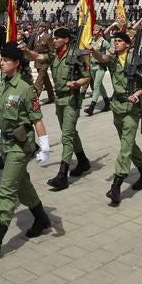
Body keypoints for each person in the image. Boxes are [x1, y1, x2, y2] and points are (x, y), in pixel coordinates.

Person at [0, 41, 50, 262]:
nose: (2, 64)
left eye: (6, 61)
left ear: (17, 63)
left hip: (20, 147)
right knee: (22, 185)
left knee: (6, 190)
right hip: (6, 146)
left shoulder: (25, 89)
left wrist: (44, 146)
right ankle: (41, 218)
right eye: (2, 60)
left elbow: (37, 119)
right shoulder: (4, 86)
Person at [89, 30, 142, 207]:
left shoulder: (136, 60)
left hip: (132, 107)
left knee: (125, 146)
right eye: (114, 41)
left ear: (127, 43)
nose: (115, 43)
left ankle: (116, 186)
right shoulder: (113, 58)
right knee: (128, 143)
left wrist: (138, 93)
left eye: (119, 41)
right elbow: (102, 59)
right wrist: (93, 52)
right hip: (117, 105)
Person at [24, 26, 91, 191]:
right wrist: (26, 50)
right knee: (70, 132)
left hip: (71, 99)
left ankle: (62, 175)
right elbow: (38, 56)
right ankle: (82, 161)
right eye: (54, 38)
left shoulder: (76, 56)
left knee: (66, 136)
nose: (54, 40)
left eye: (56, 38)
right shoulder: (54, 56)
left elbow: (87, 77)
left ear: (66, 40)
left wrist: (77, 83)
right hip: (59, 100)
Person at [84, 24, 112, 116]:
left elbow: (111, 51)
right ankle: (107, 103)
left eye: (96, 30)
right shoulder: (92, 40)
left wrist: (107, 58)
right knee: (100, 86)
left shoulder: (103, 42)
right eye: (93, 30)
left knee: (96, 85)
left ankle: (91, 107)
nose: (94, 32)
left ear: (100, 32)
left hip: (100, 66)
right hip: (92, 66)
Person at [32, 24, 55, 105]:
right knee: (46, 80)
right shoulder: (36, 36)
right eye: (36, 27)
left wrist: (50, 61)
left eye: (39, 27)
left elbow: (52, 50)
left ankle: (34, 100)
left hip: (45, 61)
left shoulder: (48, 37)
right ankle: (51, 96)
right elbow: (35, 49)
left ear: (44, 28)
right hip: (38, 61)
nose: (37, 29)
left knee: (40, 80)